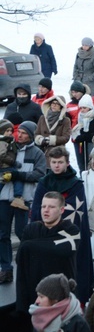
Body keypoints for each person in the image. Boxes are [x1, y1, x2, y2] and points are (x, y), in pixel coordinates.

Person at [30, 146, 93, 302]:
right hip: (47, 233)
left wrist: (55, 218)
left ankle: (76, 301)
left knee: (73, 267)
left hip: (69, 234)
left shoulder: (76, 184)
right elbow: (38, 208)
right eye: (53, 162)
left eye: (60, 162)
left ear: (66, 163)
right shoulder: (44, 182)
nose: (56, 166)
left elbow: (75, 211)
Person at [15, 192, 79, 312]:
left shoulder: (71, 230)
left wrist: (29, 246)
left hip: (59, 296)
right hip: (33, 293)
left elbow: (64, 251)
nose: (46, 210)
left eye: (51, 207)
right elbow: (20, 258)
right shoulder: (31, 229)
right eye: (43, 206)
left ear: (62, 210)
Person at [0, 120, 46, 284]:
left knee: (22, 233)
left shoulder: (37, 153)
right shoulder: (8, 146)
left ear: (31, 135)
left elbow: (40, 174)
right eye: (18, 132)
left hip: (23, 199)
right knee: (2, 234)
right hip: (4, 197)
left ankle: (27, 266)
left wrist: (18, 176)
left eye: (24, 133)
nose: (19, 135)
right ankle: (6, 269)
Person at [0, 119, 26, 211]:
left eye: (11, 130)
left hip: (5, 167)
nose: (10, 132)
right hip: (6, 166)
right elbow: (2, 155)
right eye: (7, 131)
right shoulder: (2, 141)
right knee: (17, 177)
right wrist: (13, 162)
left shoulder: (8, 140)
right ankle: (18, 198)